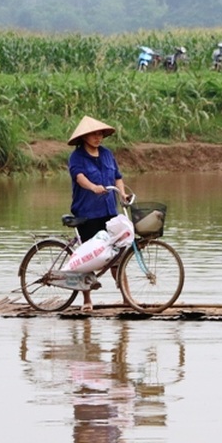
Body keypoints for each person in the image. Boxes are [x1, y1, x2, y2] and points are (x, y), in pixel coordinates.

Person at [68, 116, 128, 312]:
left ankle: (127, 297)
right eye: (94, 134)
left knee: (116, 258)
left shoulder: (107, 154)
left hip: (109, 212)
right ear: (84, 137)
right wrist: (93, 187)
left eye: (100, 133)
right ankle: (87, 300)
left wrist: (123, 194)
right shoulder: (76, 157)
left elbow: (118, 178)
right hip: (87, 213)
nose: (98, 137)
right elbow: (79, 177)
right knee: (88, 257)